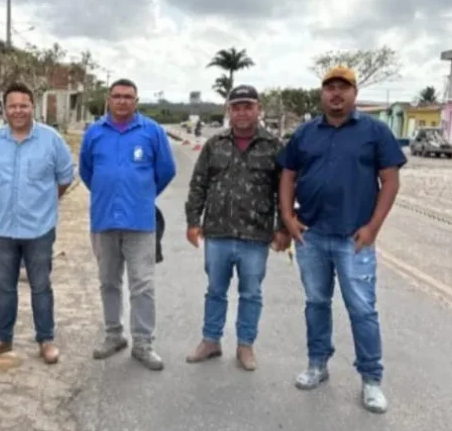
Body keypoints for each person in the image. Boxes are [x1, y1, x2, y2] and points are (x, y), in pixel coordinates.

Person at [276, 66, 406, 413]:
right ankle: (317, 364)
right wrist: (288, 218)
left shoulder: (375, 132)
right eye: (330, 88)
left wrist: (373, 228)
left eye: (343, 88)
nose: (336, 94)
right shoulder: (305, 133)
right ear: (322, 94)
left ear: (354, 93)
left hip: (355, 238)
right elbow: (288, 175)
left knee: (362, 309)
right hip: (311, 236)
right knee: (316, 303)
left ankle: (371, 380)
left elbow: (390, 182)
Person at [184, 85, 289, 371]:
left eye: (248, 106)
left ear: (258, 109)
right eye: (236, 106)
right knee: (215, 290)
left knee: (251, 293)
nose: (242, 112)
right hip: (217, 232)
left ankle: (245, 345)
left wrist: (284, 228)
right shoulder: (214, 144)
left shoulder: (274, 146)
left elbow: (285, 191)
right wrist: (193, 221)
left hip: (256, 236)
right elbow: (199, 184)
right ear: (229, 110)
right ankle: (211, 340)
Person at [79, 78, 177, 370]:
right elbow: (87, 172)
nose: (122, 101)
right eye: (117, 96)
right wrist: (108, 192)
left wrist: (141, 195)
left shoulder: (152, 132)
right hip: (104, 220)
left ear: (137, 100)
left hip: (139, 221)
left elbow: (166, 171)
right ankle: (114, 335)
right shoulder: (94, 133)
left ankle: (143, 343)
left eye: (128, 97)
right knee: (108, 281)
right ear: (108, 99)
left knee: (142, 285)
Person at [0, 82, 75, 364]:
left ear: (33, 107)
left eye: (24, 105)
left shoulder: (51, 139)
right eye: (12, 106)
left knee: (40, 287)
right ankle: (2, 338)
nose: (18, 110)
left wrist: (44, 203)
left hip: (39, 230)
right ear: (4, 109)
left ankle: (46, 340)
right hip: (3, 230)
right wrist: (7, 203)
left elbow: (66, 177)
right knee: (5, 288)